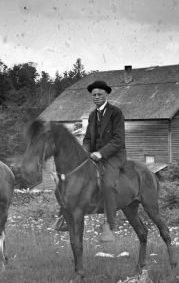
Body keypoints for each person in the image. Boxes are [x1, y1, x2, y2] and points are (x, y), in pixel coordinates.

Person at [53, 80, 127, 243]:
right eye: (94, 95)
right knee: (70, 179)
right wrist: (85, 152)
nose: (97, 97)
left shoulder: (116, 113)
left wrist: (101, 153)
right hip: (93, 155)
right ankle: (63, 218)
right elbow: (87, 138)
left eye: (100, 94)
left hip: (113, 156)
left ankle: (109, 224)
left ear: (106, 94)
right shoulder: (93, 115)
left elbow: (118, 139)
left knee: (107, 184)